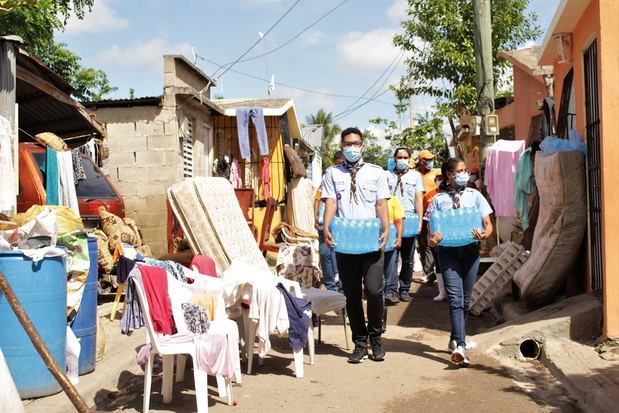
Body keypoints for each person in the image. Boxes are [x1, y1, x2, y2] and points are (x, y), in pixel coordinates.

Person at [322, 127, 390, 363]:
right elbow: (331, 202)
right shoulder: (332, 173)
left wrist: (387, 228)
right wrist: (326, 226)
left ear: (362, 146)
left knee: (373, 291)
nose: (352, 148)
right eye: (347, 144)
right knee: (351, 294)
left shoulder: (377, 173)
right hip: (346, 242)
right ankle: (359, 343)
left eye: (356, 143)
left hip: (371, 240)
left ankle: (376, 338)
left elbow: (382, 204)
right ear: (342, 147)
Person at [426, 158, 494, 366]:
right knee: (455, 299)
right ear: (449, 175)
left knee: (465, 300)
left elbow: (488, 224)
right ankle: (461, 346)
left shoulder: (475, 196)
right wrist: (433, 240)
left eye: (465, 170)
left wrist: (484, 235)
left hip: (471, 252)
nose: (464, 174)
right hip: (447, 254)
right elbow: (430, 234)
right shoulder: (437, 200)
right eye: (460, 171)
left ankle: (455, 337)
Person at [384, 147, 424, 304]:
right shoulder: (386, 175)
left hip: (409, 219)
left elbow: (419, 199)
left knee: (408, 257)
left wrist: (420, 220)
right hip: (391, 220)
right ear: (394, 158)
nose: (402, 160)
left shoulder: (416, 176)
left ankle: (405, 289)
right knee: (392, 256)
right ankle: (391, 290)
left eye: (405, 157)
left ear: (409, 158)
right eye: (399, 157)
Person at [315, 151, 345, 291]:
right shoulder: (328, 175)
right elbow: (319, 199)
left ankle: (341, 283)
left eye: (342, 164)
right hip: (324, 222)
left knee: (338, 253)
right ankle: (330, 283)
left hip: (340, 223)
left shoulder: (349, 177)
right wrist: (315, 217)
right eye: (337, 163)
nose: (339, 166)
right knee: (325, 252)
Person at [416, 149, 442, 284]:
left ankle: (440, 271)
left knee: (437, 243)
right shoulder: (415, 175)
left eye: (432, 159)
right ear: (421, 161)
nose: (431, 162)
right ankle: (429, 272)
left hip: (438, 215)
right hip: (422, 216)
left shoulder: (437, 173)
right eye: (428, 159)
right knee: (424, 244)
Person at [382, 186, 405, 306]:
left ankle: (388, 293)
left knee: (389, 270)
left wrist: (399, 237)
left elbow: (399, 221)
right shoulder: (370, 200)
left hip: (391, 241)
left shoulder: (393, 200)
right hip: (374, 242)